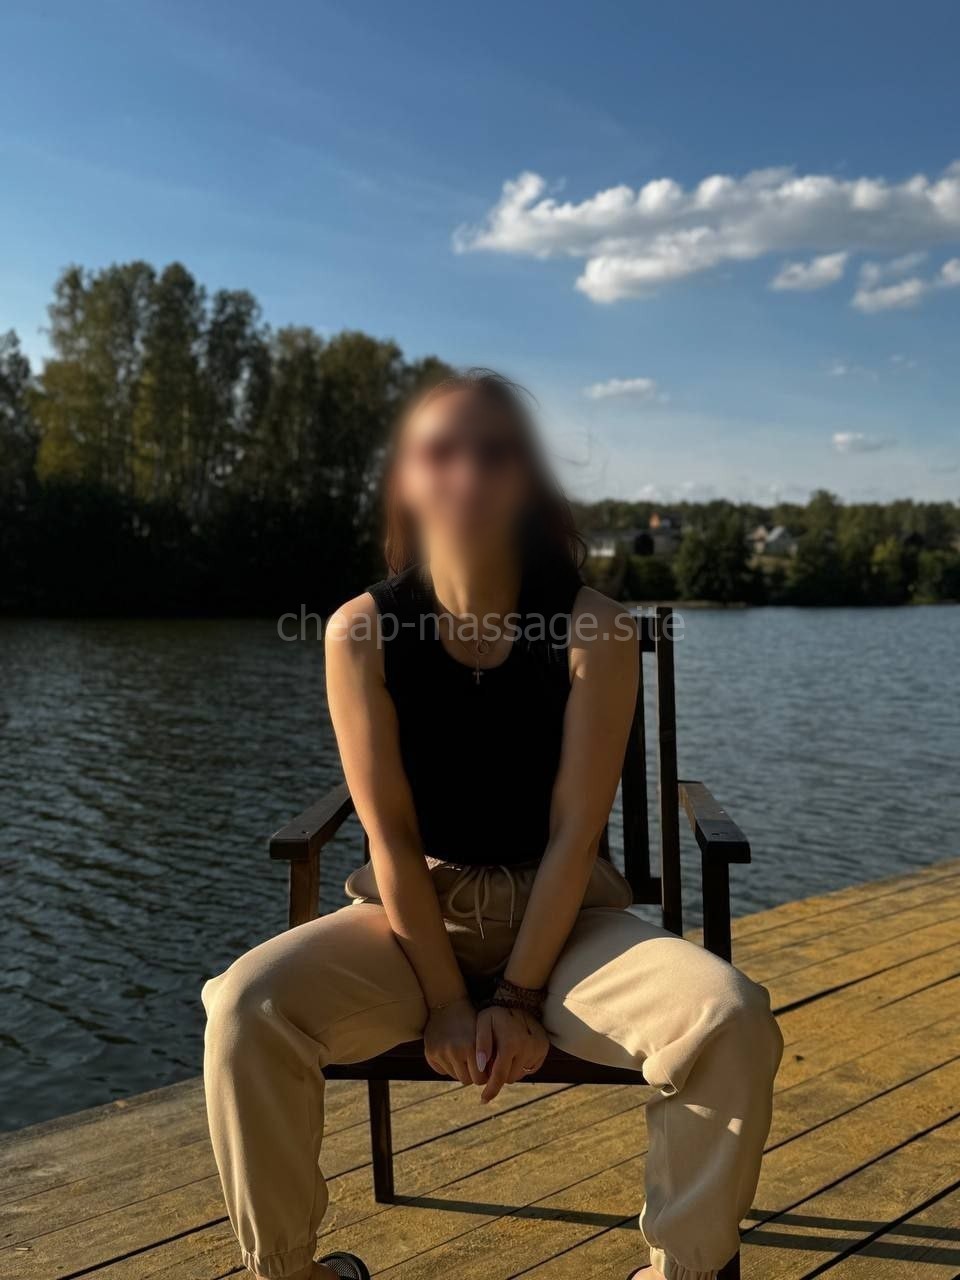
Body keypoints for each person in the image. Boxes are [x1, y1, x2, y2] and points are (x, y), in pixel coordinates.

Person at [202, 369, 783, 1280]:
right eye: (441, 451)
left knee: (731, 1019)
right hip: (410, 928)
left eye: (496, 452)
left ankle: (682, 1271)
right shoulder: (359, 632)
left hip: (568, 926)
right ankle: (290, 1274)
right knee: (245, 1009)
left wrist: (514, 998)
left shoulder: (596, 630)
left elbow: (574, 833)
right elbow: (391, 838)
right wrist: (445, 1000)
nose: (467, 473)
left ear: (527, 481)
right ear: (405, 478)